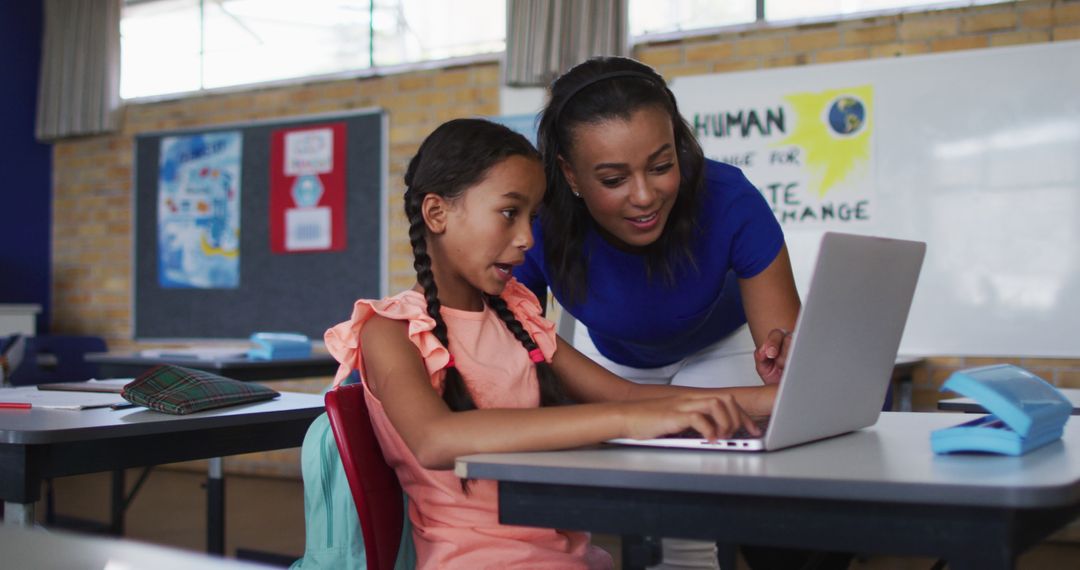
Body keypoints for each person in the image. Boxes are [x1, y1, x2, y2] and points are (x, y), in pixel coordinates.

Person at [324, 118, 777, 570]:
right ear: (437, 213)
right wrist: (628, 419)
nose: (526, 239)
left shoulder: (517, 314)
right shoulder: (390, 329)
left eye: (533, 218)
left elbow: (627, 394)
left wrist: (774, 400)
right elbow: (434, 440)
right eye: (508, 213)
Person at [514, 56, 803, 569]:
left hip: (718, 348)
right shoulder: (539, 223)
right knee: (658, 516)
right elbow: (506, 344)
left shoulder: (729, 197)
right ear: (568, 173)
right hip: (612, 364)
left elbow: (786, 366)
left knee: (715, 502)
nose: (645, 196)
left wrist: (788, 358)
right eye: (613, 178)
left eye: (662, 165)